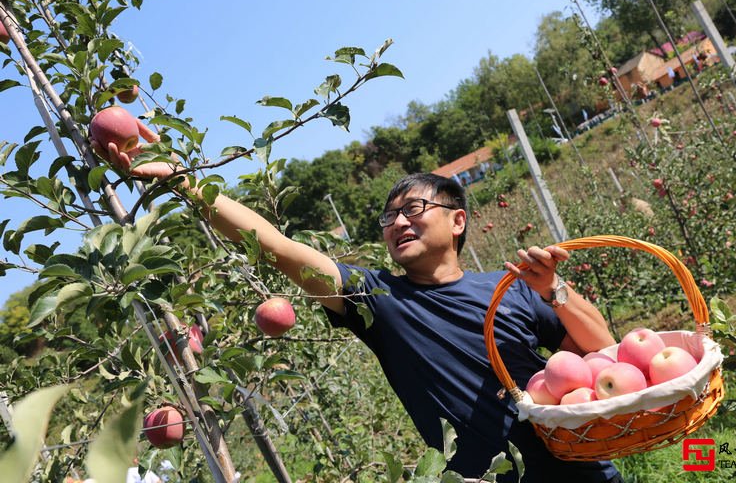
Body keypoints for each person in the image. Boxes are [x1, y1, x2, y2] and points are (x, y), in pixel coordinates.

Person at [92, 126, 623, 482]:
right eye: (388, 218)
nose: (396, 223)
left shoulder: (511, 288)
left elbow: (603, 355)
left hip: (581, 468)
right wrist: (185, 184)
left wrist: (553, 287)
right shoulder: (381, 299)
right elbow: (278, 248)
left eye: (412, 208)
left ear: (457, 220)